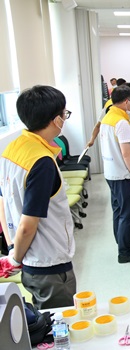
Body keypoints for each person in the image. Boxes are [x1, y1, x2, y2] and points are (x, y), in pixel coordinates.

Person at [0, 85, 77, 309]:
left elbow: (3, 201)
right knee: (60, 320)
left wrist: (13, 249)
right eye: (64, 114)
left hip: (28, 256)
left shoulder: (12, 149)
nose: (65, 118)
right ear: (56, 120)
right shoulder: (41, 161)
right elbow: (28, 225)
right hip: (48, 261)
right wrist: (15, 258)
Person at [98, 85, 130, 264]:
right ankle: (124, 253)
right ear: (126, 101)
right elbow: (126, 153)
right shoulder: (121, 123)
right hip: (122, 174)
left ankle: (122, 243)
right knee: (127, 214)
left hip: (111, 173)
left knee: (118, 211)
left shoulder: (108, 118)